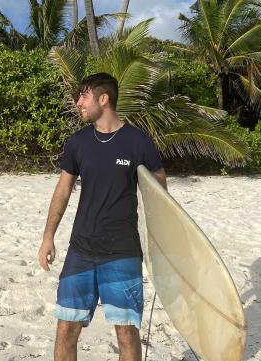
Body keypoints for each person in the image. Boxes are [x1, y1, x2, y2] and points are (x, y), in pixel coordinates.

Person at [38, 72, 166, 361]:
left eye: (83, 96)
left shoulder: (138, 142)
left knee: (126, 332)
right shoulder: (78, 142)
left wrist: (161, 245)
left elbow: (160, 193)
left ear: (103, 99)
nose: (78, 102)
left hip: (122, 253)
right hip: (81, 250)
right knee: (66, 328)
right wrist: (48, 237)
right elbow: (63, 189)